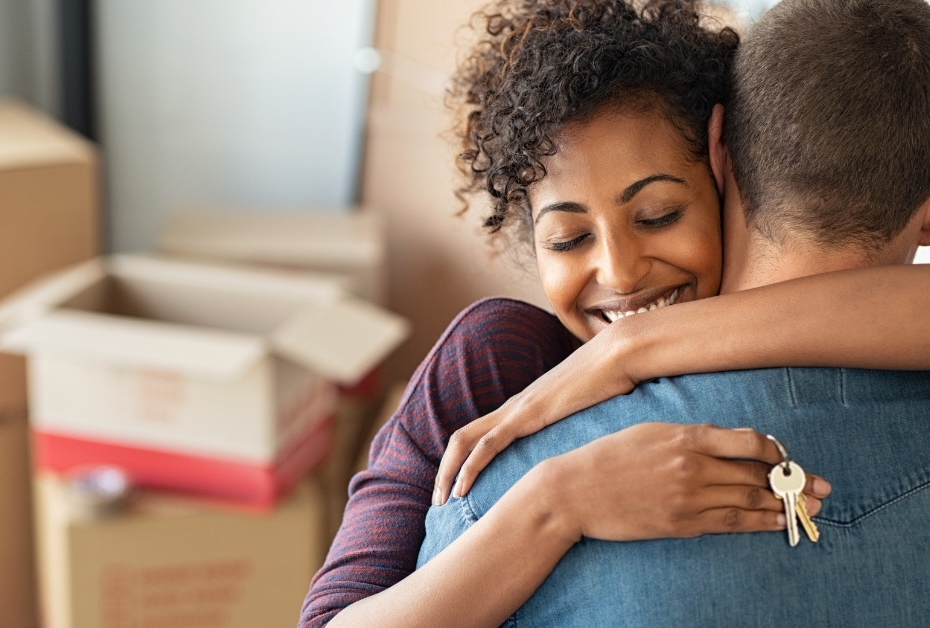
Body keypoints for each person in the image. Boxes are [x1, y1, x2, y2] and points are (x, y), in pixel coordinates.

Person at [300, 0, 930, 626]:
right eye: (569, 240)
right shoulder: (496, 361)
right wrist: (555, 504)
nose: (622, 274)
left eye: (659, 216)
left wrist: (631, 347)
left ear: (721, 165)